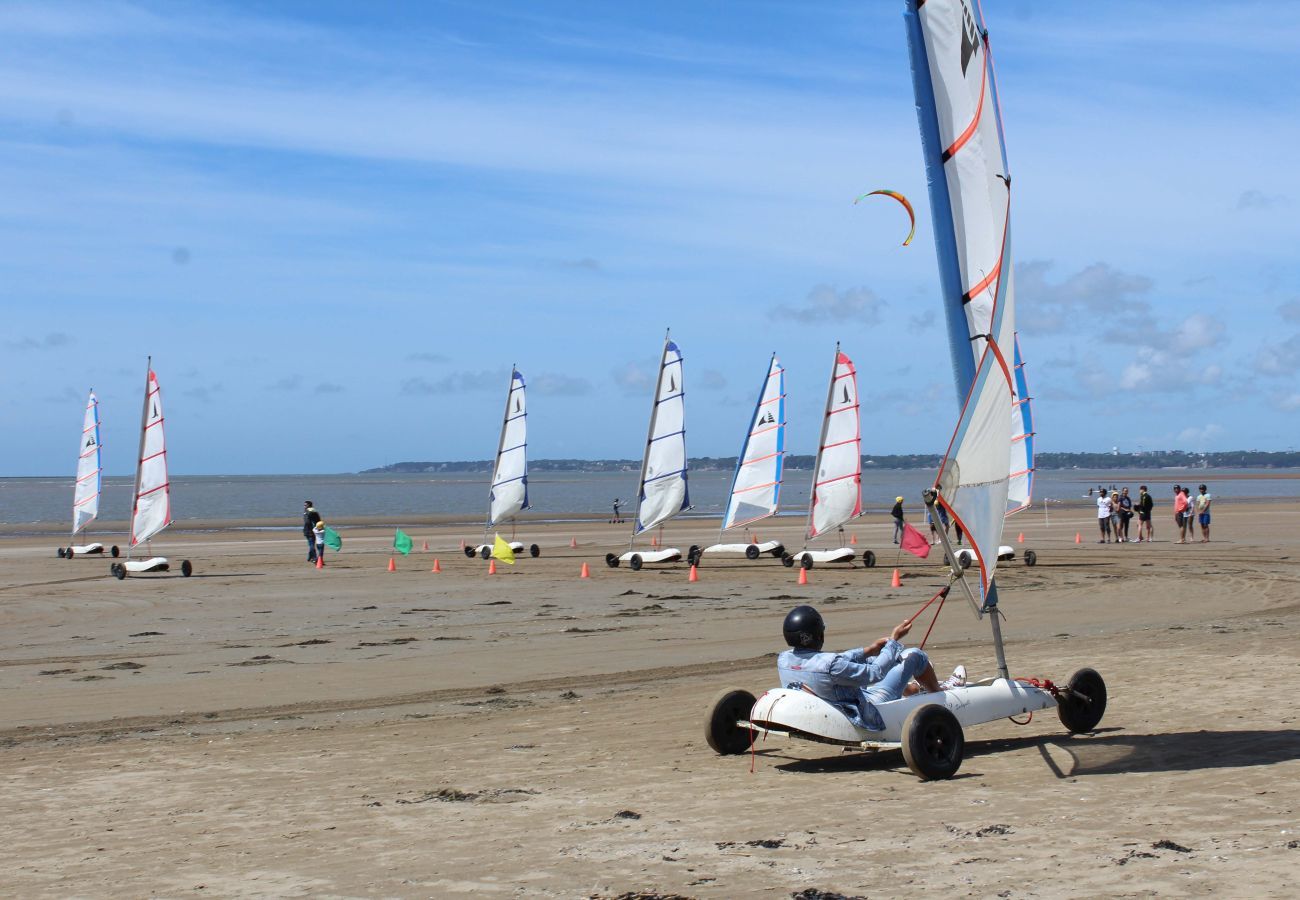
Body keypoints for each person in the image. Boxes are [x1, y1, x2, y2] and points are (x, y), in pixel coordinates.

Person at [776, 605, 966, 732]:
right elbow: (875, 673)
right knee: (915, 655)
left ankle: (917, 687)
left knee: (876, 664)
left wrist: (868, 650)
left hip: (835, 702)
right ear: (816, 636)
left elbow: (830, 661)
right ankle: (941, 694)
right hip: (863, 712)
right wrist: (894, 640)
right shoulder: (831, 665)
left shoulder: (783, 659)